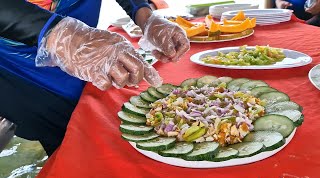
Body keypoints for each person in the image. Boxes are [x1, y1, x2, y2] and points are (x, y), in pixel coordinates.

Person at [0, 0, 190, 156]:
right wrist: (58, 33)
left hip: (86, 44)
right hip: (18, 62)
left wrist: (146, 17)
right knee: (70, 146)